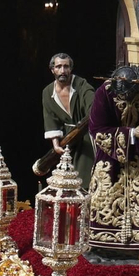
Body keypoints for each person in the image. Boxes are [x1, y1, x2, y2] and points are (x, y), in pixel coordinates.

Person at [84, 61, 139, 258]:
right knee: (105, 196)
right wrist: (132, 133)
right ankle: (102, 245)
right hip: (109, 159)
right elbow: (96, 129)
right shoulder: (104, 92)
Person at [40, 51, 96, 186]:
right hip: (66, 140)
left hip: (86, 136)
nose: (62, 71)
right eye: (58, 67)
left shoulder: (82, 85)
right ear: (52, 69)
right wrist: (56, 144)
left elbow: (93, 107)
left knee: (84, 175)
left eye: (66, 66)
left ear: (71, 69)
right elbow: (50, 118)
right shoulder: (48, 92)